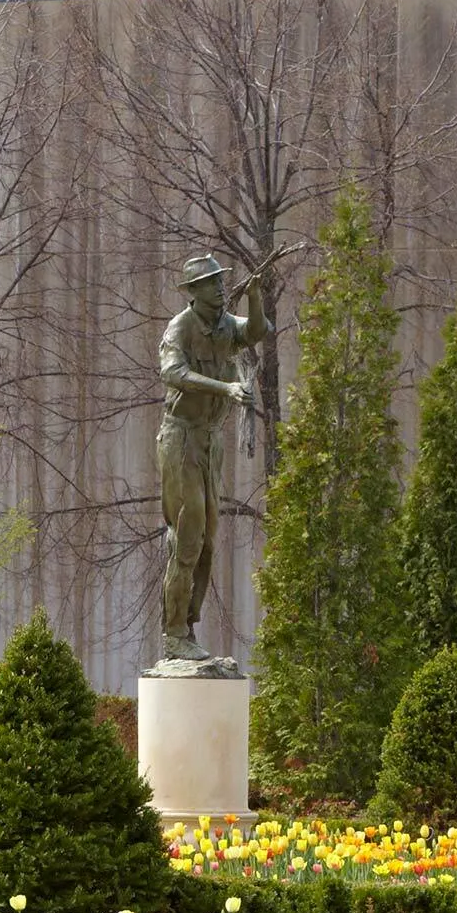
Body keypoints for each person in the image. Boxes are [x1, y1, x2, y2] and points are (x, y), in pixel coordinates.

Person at [155, 253, 268, 668]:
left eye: (222, 281)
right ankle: (174, 634)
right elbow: (173, 374)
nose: (221, 287)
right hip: (180, 439)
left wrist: (254, 296)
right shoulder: (180, 327)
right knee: (187, 534)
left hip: (209, 442)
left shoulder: (224, 325)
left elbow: (255, 331)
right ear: (193, 292)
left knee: (208, 538)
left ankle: (188, 626)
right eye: (212, 282)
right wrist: (226, 388)